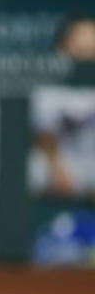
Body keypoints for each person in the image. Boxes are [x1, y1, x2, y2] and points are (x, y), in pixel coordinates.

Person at [29, 15, 95, 199]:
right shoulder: (51, 80)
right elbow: (43, 134)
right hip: (59, 160)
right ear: (64, 44)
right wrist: (57, 168)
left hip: (91, 159)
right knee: (30, 169)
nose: (88, 43)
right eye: (81, 36)